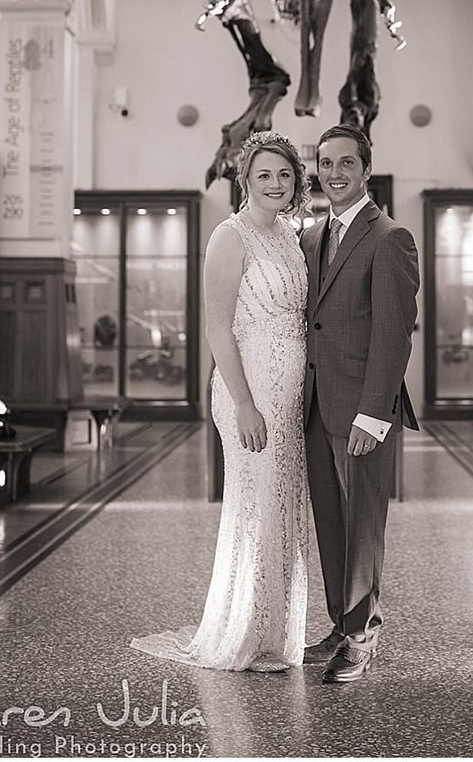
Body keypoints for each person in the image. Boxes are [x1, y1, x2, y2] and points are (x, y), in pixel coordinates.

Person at [131, 131, 311, 672]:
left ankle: (276, 632)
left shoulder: (289, 234)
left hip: (290, 389)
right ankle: (246, 635)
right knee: (255, 506)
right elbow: (216, 327)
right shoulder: (229, 237)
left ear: (296, 180)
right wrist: (244, 404)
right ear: (246, 181)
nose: (275, 184)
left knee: (282, 502)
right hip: (248, 384)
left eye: (284, 174)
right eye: (264, 175)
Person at [300, 124, 419, 684]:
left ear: (366, 170)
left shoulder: (389, 237)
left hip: (363, 411)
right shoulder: (314, 235)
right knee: (330, 521)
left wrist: (374, 414)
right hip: (316, 405)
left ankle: (363, 635)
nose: (335, 173)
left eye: (346, 163)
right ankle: (339, 624)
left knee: (364, 523)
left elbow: (394, 334)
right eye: (326, 163)